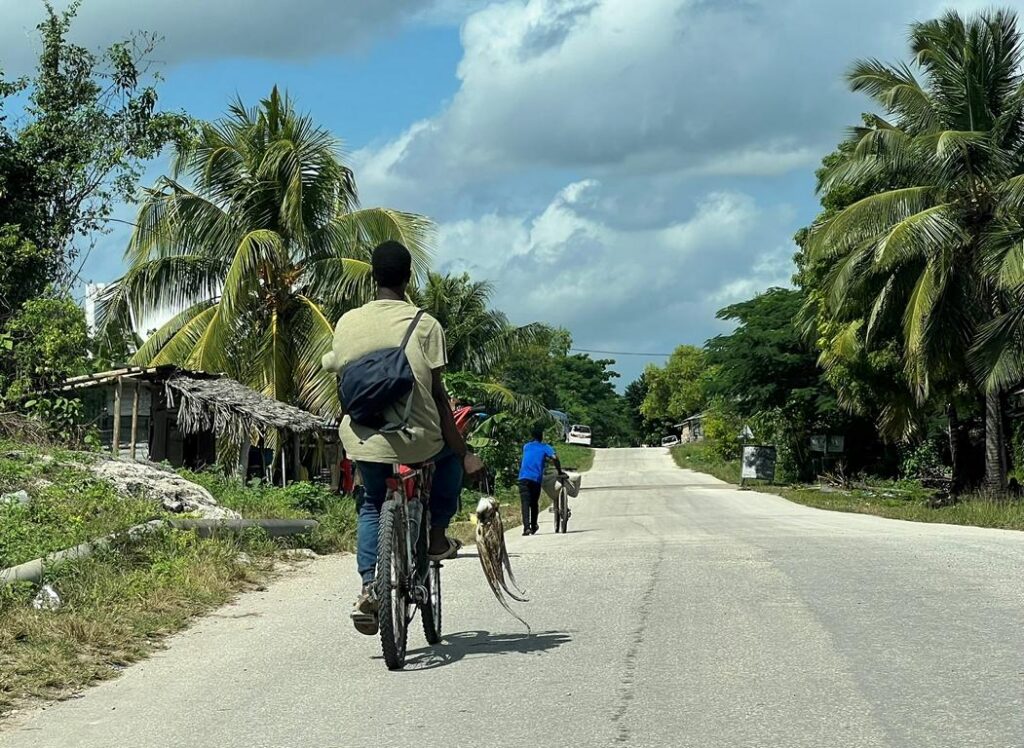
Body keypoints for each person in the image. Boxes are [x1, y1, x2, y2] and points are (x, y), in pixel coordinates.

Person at [322, 240, 484, 635]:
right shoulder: (426, 324)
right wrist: (464, 453)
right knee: (448, 457)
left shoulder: (347, 322)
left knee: (373, 502)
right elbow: (440, 397)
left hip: (363, 438)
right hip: (419, 438)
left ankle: (368, 587)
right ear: (408, 277)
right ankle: (436, 536)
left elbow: (334, 366)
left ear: (372, 277)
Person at [517, 425, 562, 535]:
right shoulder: (545, 447)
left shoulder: (526, 446)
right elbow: (555, 458)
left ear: (532, 436)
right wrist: (559, 471)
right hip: (535, 479)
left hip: (523, 478)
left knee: (525, 503)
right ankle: (533, 526)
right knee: (533, 503)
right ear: (541, 436)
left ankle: (526, 528)